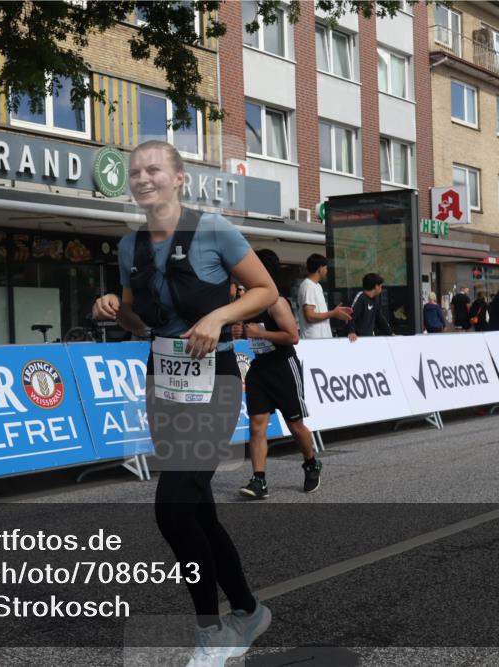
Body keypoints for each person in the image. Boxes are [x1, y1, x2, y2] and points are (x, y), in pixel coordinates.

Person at [114, 140, 276, 664]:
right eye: (136, 171)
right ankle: (248, 611)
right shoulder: (128, 245)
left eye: (154, 169)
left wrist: (217, 317)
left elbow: (266, 290)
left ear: (180, 178)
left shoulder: (212, 230)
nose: (143, 178)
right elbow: (140, 320)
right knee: (199, 511)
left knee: (174, 507)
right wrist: (115, 311)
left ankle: (212, 632)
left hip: (215, 377)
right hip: (164, 378)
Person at [238, 249, 321, 500]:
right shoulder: (248, 300)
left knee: (295, 426)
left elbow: (292, 337)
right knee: (256, 426)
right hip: (259, 367)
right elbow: (248, 331)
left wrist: (259, 334)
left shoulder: (276, 301)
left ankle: (311, 463)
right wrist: (241, 332)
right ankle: (259, 480)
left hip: (283, 367)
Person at [297, 253, 352, 339]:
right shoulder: (308, 286)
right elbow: (310, 316)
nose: (327, 270)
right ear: (320, 268)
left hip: (322, 339)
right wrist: (333, 313)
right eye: (325, 268)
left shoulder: (317, 286)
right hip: (314, 340)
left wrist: (335, 312)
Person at [347, 273, 392, 342]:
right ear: (376, 286)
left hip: (369, 340)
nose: (381, 289)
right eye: (381, 286)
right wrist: (351, 331)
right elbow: (350, 315)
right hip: (356, 341)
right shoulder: (360, 297)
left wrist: (391, 333)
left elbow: (380, 319)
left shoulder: (374, 301)